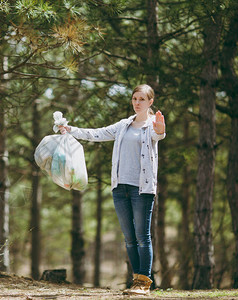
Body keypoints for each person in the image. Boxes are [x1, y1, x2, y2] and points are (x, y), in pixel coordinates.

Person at [59, 84, 165, 295]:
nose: (137, 103)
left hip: (142, 189)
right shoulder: (124, 125)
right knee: (129, 238)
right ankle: (136, 281)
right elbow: (97, 134)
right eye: (135, 98)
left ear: (150, 102)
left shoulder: (152, 125)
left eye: (142, 99)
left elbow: (159, 135)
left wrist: (160, 127)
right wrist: (71, 130)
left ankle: (145, 283)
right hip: (120, 187)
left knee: (143, 237)